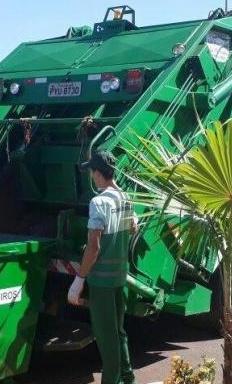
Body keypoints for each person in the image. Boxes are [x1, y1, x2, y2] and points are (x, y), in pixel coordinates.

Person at [68, 150, 136, 384]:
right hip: (119, 279)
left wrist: (79, 280)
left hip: (102, 283)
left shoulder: (98, 202)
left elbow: (93, 247)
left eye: (92, 171)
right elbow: (134, 228)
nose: (91, 176)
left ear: (98, 173)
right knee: (119, 333)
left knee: (107, 341)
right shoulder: (126, 198)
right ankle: (128, 379)